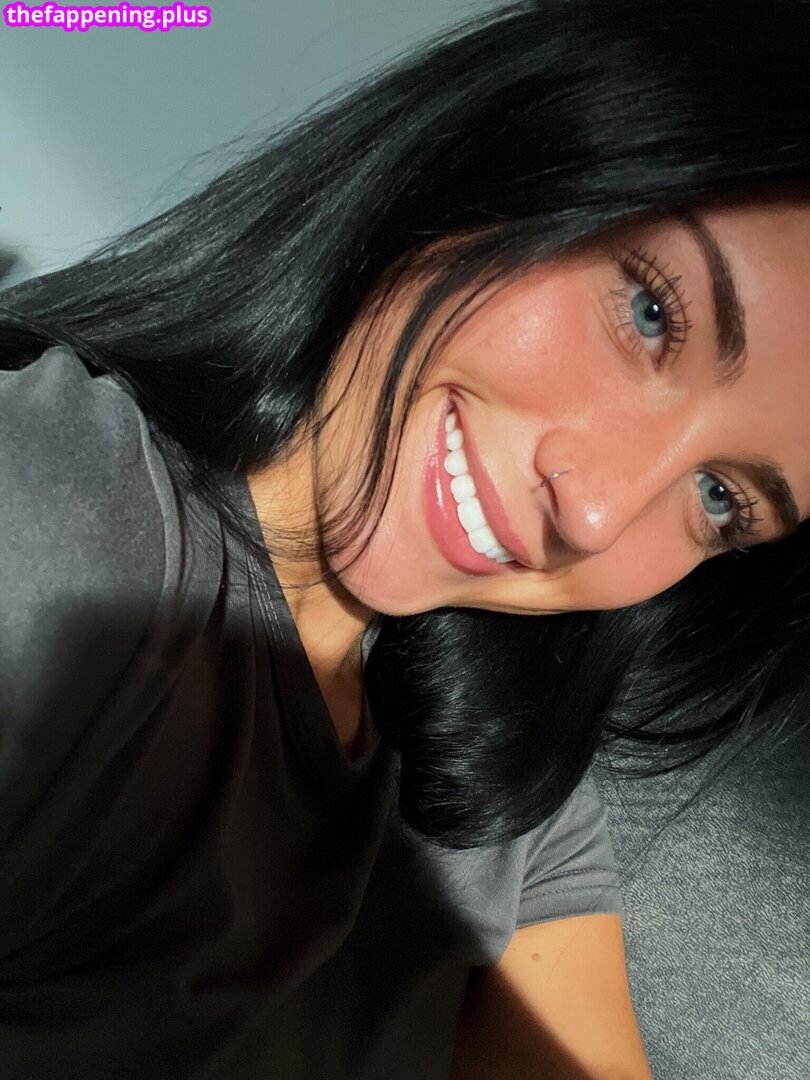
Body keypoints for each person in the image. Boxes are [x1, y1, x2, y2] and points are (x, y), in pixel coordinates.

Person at [1, 1, 809, 1077]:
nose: (597, 514)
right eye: (652, 314)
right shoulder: (54, 516)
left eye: (720, 498)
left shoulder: (498, 778)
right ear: (504, 154)